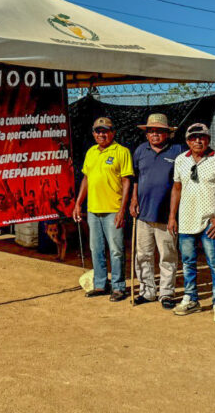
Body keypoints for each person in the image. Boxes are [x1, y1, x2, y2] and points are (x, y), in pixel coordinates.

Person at [168, 122, 215, 321]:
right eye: (193, 138)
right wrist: (172, 216)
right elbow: (176, 188)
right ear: (187, 141)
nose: (198, 141)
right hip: (186, 219)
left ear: (208, 139)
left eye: (202, 137)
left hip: (210, 222)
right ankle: (191, 298)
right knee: (188, 262)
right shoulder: (181, 160)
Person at [73, 117, 134, 302]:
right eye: (98, 131)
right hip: (93, 210)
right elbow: (86, 179)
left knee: (116, 250)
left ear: (113, 132)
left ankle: (118, 287)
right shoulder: (91, 152)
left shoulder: (121, 152)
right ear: (93, 133)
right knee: (96, 248)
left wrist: (122, 209)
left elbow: (126, 181)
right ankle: (100, 284)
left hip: (113, 210)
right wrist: (78, 203)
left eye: (105, 130)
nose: (101, 134)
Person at [130, 113, 184, 309]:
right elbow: (136, 178)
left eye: (160, 131)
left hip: (166, 216)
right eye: (151, 131)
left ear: (168, 134)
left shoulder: (178, 151)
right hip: (143, 214)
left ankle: (166, 293)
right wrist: (133, 199)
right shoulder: (140, 151)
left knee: (167, 255)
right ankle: (147, 291)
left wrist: (174, 215)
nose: (155, 135)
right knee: (143, 254)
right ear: (146, 134)